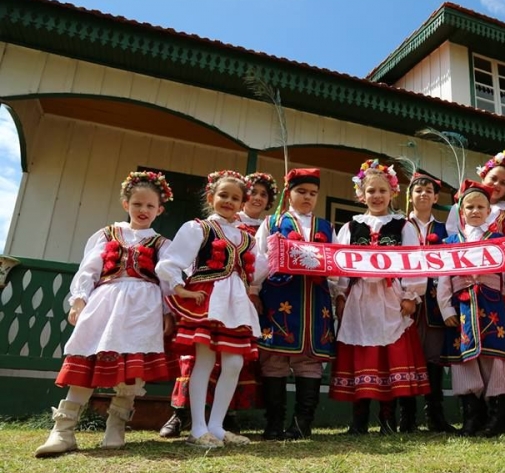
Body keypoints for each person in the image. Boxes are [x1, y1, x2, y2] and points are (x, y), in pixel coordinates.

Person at [35, 171, 174, 457]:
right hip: (105, 302)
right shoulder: (108, 234)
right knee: (87, 358)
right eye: (137, 204)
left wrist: (167, 312)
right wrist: (78, 300)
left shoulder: (162, 244)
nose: (143, 210)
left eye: (150, 206)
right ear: (126, 204)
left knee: (133, 366)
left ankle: (116, 424)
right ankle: (63, 430)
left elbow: (166, 282)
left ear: (159, 209)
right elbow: (88, 269)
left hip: (143, 308)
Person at [158, 171, 277, 438]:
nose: (229, 202)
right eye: (223, 195)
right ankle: (198, 427)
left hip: (235, 303)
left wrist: (278, 250)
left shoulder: (245, 236)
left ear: (242, 203)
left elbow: (258, 269)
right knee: (204, 361)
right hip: (208, 300)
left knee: (234, 363)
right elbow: (170, 262)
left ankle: (216, 426)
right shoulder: (199, 228)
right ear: (211, 197)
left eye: (236, 198)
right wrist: (179, 288)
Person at [329, 159, 430, 434]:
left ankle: (388, 419)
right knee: (362, 354)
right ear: (361, 194)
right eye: (371, 191)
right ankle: (359, 420)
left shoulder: (402, 226)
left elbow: (414, 260)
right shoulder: (350, 226)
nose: (376, 196)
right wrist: (339, 294)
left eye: (382, 191)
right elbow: (339, 262)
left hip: (390, 297)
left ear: (393, 193)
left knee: (389, 355)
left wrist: (411, 294)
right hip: (360, 297)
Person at [254, 168, 336, 440]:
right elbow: (260, 259)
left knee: (309, 360)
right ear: (289, 193)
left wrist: (338, 294)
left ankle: (302, 424)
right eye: (301, 191)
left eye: (313, 193)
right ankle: (274, 423)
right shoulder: (273, 222)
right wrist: (253, 291)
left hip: (315, 302)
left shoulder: (326, 227)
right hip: (279, 298)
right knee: (274, 358)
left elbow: (335, 266)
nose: (307, 197)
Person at [438, 180, 505, 437]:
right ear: (461, 212)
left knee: (494, 358)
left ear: (489, 212)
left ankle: (498, 414)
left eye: (480, 207)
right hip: (462, 305)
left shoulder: (499, 241)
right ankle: (471, 416)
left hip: (491, 304)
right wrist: (446, 310)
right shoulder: (450, 241)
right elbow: (443, 277)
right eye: (469, 207)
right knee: (464, 360)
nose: (475, 211)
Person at [405, 172, 456, 433]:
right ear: (410, 196)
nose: (423, 194)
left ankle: (435, 415)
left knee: (433, 358)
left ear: (436, 197)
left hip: (436, 301)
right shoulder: (400, 226)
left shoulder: (446, 229)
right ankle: (407, 418)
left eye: (428, 191)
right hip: (405, 301)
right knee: (407, 355)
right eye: (418, 190)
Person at [445, 149, 505, 236]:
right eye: (493, 178)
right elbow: (452, 233)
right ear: (483, 177)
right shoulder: (460, 206)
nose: (497, 184)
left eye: (503, 183)